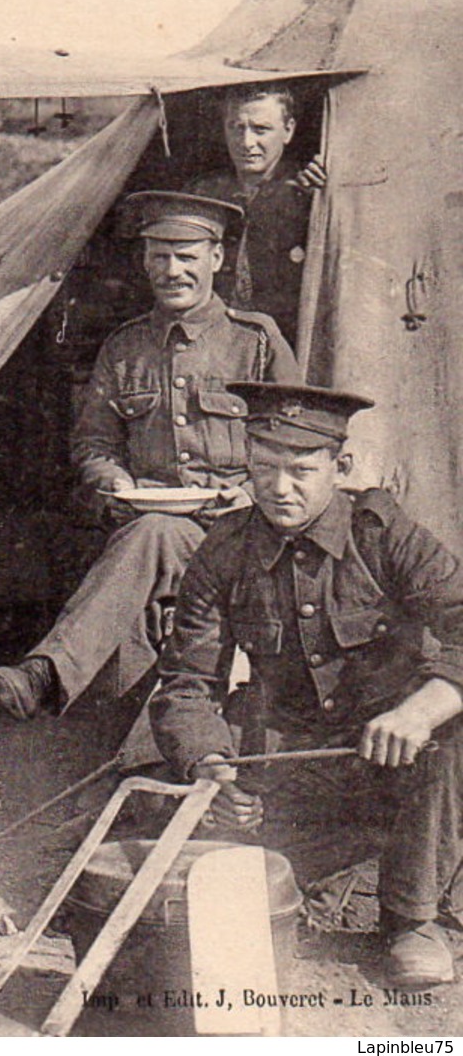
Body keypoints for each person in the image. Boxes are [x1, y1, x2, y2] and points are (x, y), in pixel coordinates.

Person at [152, 382, 463, 991]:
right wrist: (210, 763)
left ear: (339, 467)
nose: (278, 488)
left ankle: (413, 919)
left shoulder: (382, 534)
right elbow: (188, 682)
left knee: (454, 735)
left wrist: (419, 712)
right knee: (194, 860)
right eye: (263, 467)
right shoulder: (224, 550)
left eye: (300, 470)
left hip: (398, 754)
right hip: (292, 757)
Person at [0, 192, 300, 723]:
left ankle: (46, 673)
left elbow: (294, 440)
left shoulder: (256, 342)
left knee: (155, 535)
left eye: (187, 256)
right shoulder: (124, 348)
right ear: (144, 261)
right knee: (154, 532)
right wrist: (114, 481)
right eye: (159, 256)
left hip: (244, 530)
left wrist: (248, 490)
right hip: (152, 530)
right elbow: (93, 443)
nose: (172, 270)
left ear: (216, 260)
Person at [185, 84, 326, 348]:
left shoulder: (310, 192)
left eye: (261, 129)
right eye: (237, 128)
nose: (246, 142)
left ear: (289, 130)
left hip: (287, 342)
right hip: (214, 341)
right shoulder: (202, 194)